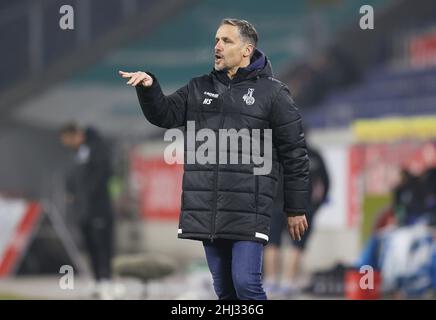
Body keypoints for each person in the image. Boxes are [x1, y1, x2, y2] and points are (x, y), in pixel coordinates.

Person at [119, 18, 310, 300]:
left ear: (247, 50)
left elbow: (295, 153)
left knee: (246, 284)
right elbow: (165, 114)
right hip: (208, 210)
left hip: (249, 209)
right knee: (224, 291)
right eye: (216, 41)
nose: (217, 47)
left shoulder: (274, 94)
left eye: (226, 41)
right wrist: (149, 87)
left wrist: (295, 208)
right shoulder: (198, 88)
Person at [264, 137, 330, 297]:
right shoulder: (313, 154)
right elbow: (326, 183)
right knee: (296, 246)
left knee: (273, 243)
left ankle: (271, 283)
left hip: (277, 205)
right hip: (300, 208)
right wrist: (315, 207)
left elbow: (263, 179)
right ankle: (287, 284)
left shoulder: (276, 151)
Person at [60, 122, 115, 299]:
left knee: (102, 245)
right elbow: (72, 176)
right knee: (89, 245)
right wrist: (71, 192)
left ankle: (106, 280)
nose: (66, 143)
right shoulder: (77, 154)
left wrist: (85, 194)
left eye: (67, 139)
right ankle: (96, 280)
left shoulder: (97, 148)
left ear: (77, 135)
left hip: (99, 207)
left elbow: (102, 174)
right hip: (83, 210)